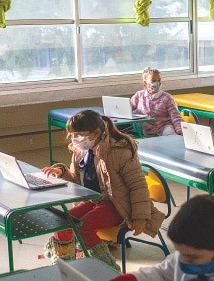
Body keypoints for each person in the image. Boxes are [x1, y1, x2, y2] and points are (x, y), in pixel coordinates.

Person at [41, 109, 165, 269]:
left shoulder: (119, 151)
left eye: (79, 134)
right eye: (72, 134)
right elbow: (76, 180)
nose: (74, 138)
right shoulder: (80, 150)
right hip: (95, 199)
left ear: (96, 133)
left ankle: (107, 270)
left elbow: (138, 186)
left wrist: (140, 218)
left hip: (118, 204)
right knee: (62, 222)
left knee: (85, 227)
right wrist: (61, 172)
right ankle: (65, 266)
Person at [130, 67, 184, 137]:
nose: (157, 83)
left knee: (171, 137)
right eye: (153, 81)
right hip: (146, 130)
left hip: (164, 127)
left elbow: (175, 116)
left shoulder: (166, 98)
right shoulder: (139, 95)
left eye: (159, 80)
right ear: (145, 82)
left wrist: (180, 131)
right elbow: (128, 108)